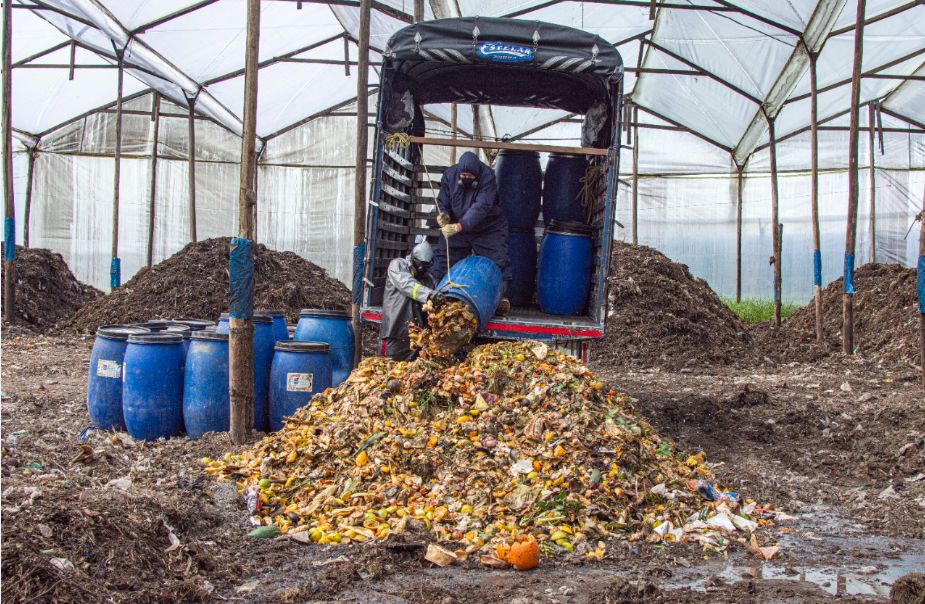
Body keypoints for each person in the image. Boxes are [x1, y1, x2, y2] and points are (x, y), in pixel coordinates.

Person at [430, 151, 511, 315]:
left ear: (477, 174)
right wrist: (443, 215)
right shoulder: (449, 175)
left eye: (470, 176)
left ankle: (499, 299)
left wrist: (460, 226)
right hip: (458, 226)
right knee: (443, 259)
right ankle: (434, 296)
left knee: (498, 261)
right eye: (464, 175)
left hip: (487, 228)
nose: (466, 178)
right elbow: (442, 201)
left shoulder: (488, 177)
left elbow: (481, 207)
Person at [380, 241, 444, 361]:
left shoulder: (429, 279)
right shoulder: (398, 265)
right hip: (395, 332)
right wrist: (429, 294)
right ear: (413, 258)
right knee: (389, 367)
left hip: (417, 336)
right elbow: (407, 284)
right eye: (419, 264)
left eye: (424, 266)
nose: (421, 268)